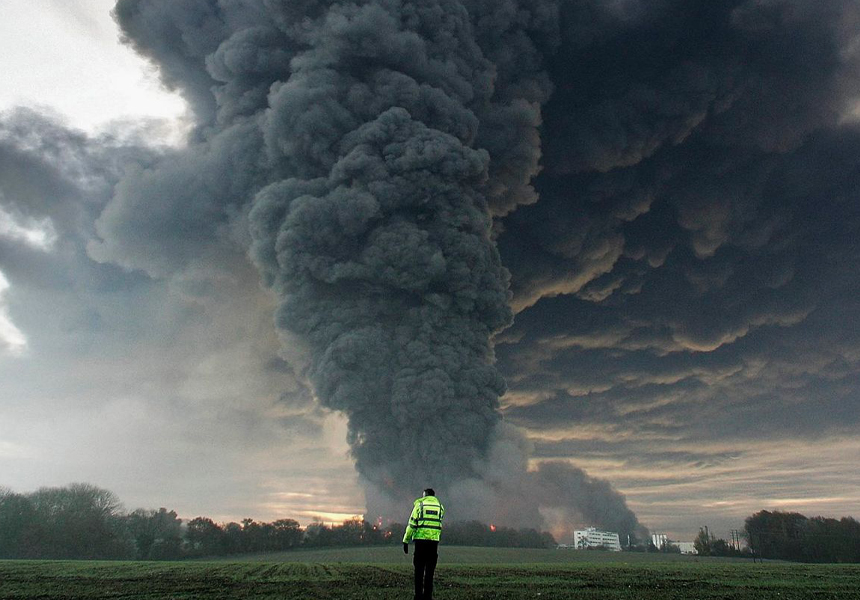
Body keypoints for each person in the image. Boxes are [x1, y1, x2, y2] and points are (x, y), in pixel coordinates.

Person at [403, 488, 445, 600]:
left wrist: (405, 540)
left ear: (425, 495)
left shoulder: (420, 505)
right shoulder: (440, 507)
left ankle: (418, 596)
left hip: (420, 543)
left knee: (419, 571)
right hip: (433, 544)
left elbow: (411, 524)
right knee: (430, 572)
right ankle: (428, 596)